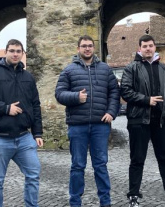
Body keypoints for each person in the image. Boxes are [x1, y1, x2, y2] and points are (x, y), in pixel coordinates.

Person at [0, 39, 43, 207]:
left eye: (19, 51)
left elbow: (35, 105)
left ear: (23, 54)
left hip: (24, 137)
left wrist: (37, 132)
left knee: (33, 174)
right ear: (6, 52)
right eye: (12, 50)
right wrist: (5, 109)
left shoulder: (28, 77)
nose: (15, 54)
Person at [55, 35, 120, 207]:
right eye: (84, 46)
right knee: (77, 165)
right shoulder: (69, 70)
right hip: (77, 125)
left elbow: (114, 92)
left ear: (93, 48)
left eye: (90, 45)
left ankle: (105, 202)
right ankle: (75, 202)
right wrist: (76, 97)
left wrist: (111, 112)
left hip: (100, 125)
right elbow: (59, 94)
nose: (87, 48)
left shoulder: (105, 69)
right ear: (78, 49)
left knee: (101, 165)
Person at [120, 34, 165, 207]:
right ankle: (133, 196)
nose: (148, 49)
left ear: (155, 47)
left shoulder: (164, 69)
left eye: (150, 46)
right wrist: (146, 100)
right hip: (139, 120)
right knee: (137, 160)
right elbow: (125, 91)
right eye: (145, 46)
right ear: (139, 49)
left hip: (161, 121)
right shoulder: (131, 68)